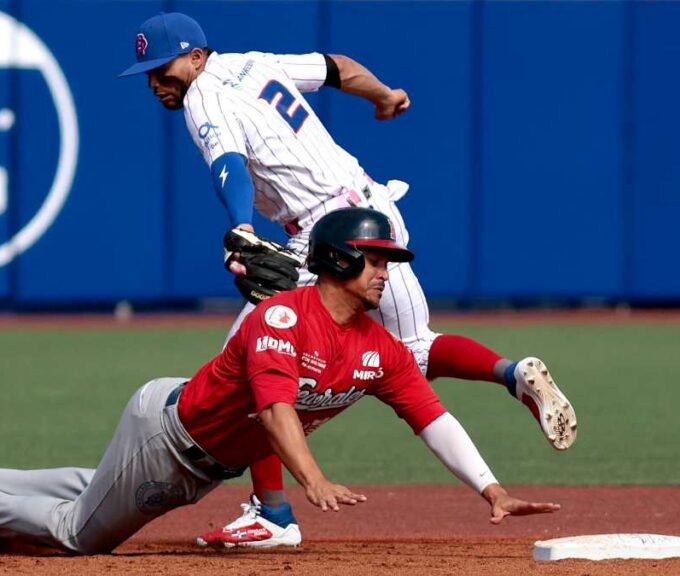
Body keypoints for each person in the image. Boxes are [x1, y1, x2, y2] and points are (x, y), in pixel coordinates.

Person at [118, 12, 577, 548]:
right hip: (375, 214)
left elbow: (229, 166)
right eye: (149, 73)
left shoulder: (203, 96)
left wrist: (241, 224)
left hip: (324, 235)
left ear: (196, 57)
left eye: (164, 69)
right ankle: (511, 373)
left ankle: (273, 514)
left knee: (249, 366)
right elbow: (337, 67)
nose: (156, 82)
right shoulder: (256, 63)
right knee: (413, 350)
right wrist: (385, 94)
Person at [0, 208, 561, 555]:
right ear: (338, 258)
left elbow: (432, 418)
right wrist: (312, 480)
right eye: (376, 260)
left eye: (387, 262)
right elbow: (276, 410)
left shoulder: (379, 348)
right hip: (170, 439)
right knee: (81, 536)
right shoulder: (283, 316)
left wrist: (492, 490)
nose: (385, 273)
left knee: (102, 490)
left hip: (201, 453)